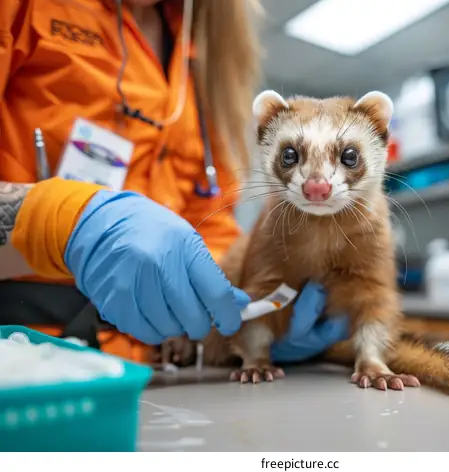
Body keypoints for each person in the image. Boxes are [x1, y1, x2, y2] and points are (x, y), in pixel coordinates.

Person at [0, 0, 348, 364]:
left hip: (158, 371)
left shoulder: (200, 54)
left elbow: (211, 225)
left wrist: (257, 311)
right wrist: (57, 223)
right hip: (23, 355)